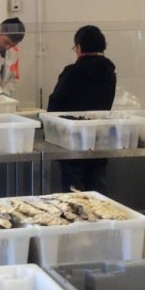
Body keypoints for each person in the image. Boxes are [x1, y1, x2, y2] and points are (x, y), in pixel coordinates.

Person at [47, 25, 116, 194]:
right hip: (99, 138)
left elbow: (55, 103)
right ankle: (102, 219)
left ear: (79, 47)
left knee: (74, 191)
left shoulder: (72, 73)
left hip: (73, 141)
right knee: (98, 189)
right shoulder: (109, 73)